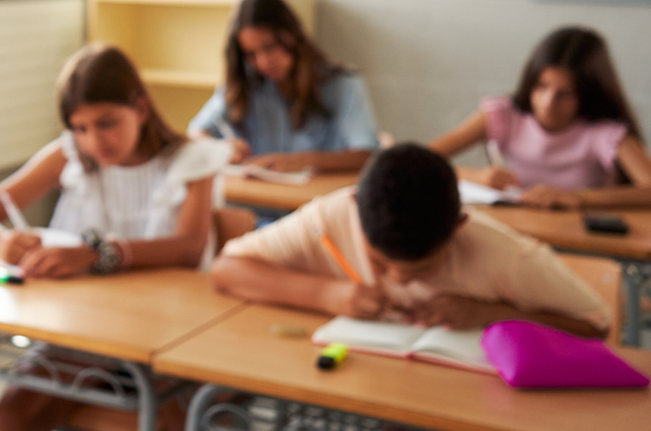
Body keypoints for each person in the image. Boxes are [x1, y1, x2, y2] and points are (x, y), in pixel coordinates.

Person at [0, 43, 227, 431]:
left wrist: (97, 253)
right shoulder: (70, 155)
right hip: (89, 332)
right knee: (11, 417)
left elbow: (189, 248)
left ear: (141, 108)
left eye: (106, 123)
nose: (93, 140)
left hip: (169, 335)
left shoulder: (193, 159)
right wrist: (2, 242)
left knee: (167, 419)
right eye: (80, 128)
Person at [211, 144, 611, 340]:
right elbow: (227, 269)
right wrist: (327, 295)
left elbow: (595, 326)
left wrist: (490, 314)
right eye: (379, 263)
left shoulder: (508, 256)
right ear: (355, 208)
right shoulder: (333, 214)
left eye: (422, 269)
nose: (398, 280)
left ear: (459, 227)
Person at [429, 26, 651, 210]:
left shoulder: (605, 132)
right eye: (541, 86)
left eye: (565, 94)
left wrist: (580, 197)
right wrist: (473, 176)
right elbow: (419, 160)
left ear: (588, 96)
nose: (548, 102)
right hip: (513, 228)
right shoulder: (504, 114)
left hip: (575, 238)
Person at [189, 0, 379, 173]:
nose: (263, 62)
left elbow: (366, 155)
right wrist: (221, 149)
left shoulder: (342, 84)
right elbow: (195, 133)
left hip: (316, 193)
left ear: (291, 35)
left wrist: (302, 161)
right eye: (251, 54)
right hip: (257, 192)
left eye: (269, 47)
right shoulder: (245, 83)